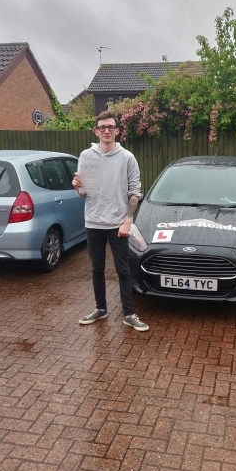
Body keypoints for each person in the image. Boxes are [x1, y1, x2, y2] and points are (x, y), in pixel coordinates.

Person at [72, 110, 149, 332]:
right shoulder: (86, 156)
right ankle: (101, 309)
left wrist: (127, 222)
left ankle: (128, 314)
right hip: (93, 222)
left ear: (117, 130)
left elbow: (135, 193)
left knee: (123, 271)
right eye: (102, 127)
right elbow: (85, 192)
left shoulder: (127, 158)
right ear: (96, 131)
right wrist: (78, 187)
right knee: (97, 269)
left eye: (111, 127)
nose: (106, 131)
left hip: (117, 224)